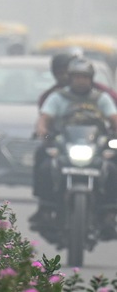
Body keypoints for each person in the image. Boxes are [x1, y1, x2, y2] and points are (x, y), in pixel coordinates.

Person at [30, 57, 117, 238]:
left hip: (96, 148)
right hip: (65, 147)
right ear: (70, 78)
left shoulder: (101, 98)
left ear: (91, 79)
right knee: (44, 162)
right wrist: (44, 134)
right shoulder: (58, 97)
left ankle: (110, 211)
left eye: (84, 77)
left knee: (113, 168)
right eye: (77, 77)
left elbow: (113, 118)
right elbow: (44, 120)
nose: (81, 81)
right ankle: (45, 207)